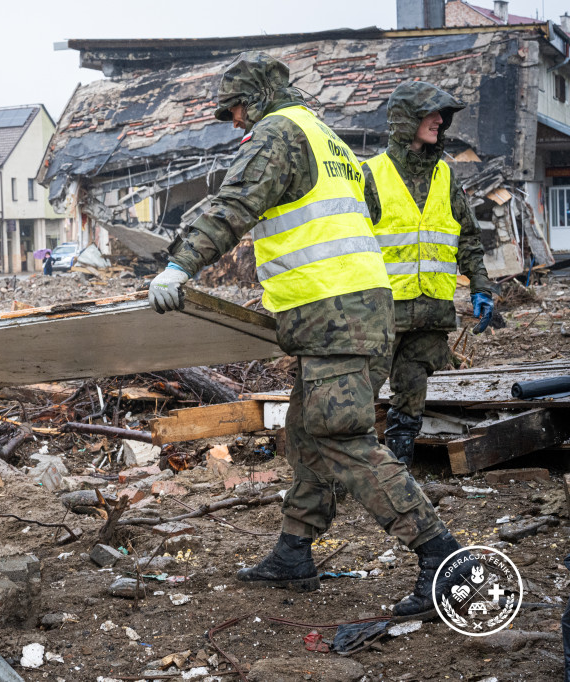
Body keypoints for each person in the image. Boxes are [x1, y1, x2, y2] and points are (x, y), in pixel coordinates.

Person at [147, 52, 467, 620]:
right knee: (307, 434)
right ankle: (294, 552)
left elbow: (236, 203)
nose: (235, 120)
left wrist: (179, 266)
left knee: (343, 439)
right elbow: (364, 209)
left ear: (258, 97)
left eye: (236, 107)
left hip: (334, 312)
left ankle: (444, 560)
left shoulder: (278, 133)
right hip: (354, 310)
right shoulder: (329, 140)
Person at [363, 81, 498, 466]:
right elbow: (348, 245)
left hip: (429, 314)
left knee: (410, 401)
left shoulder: (445, 176)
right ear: (406, 119)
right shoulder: (370, 175)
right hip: (380, 314)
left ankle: (399, 472)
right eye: (430, 113)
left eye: (442, 114)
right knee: (358, 398)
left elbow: (468, 237)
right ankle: (346, 479)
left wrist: (480, 286)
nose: (439, 120)